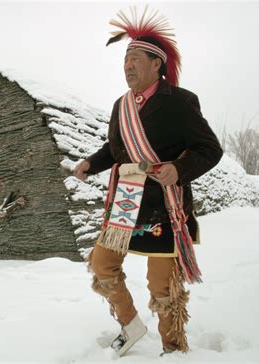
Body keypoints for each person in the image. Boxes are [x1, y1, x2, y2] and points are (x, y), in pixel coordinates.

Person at [74, 6, 223, 358]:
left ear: (157, 64)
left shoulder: (181, 102)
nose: (127, 65)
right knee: (101, 263)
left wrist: (178, 169)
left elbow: (209, 149)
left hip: (163, 206)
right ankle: (130, 324)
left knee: (163, 286)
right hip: (126, 202)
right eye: (125, 59)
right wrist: (90, 164)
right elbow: (115, 150)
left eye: (135, 58)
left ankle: (172, 347)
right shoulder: (120, 106)